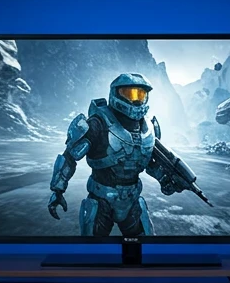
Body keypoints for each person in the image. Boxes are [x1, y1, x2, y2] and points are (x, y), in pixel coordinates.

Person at [47, 73, 195, 235]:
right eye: (129, 93)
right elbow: (70, 156)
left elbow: (148, 161)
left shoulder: (148, 128)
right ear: (116, 93)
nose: (135, 99)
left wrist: (165, 180)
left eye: (140, 94)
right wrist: (57, 191)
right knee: (93, 253)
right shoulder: (98, 123)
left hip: (132, 201)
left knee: (142, 251)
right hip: (101, 200)